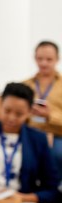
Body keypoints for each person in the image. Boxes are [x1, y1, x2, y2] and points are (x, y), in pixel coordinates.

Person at [22, 41, 62, 173]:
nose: (44, 63)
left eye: (49, 59)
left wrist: (49, 115)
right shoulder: (26, 85)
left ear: (57, 59)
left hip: (58, 135)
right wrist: (27, 114)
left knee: (57, 154)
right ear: (35, 58)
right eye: (40, 59)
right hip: (30, 133)